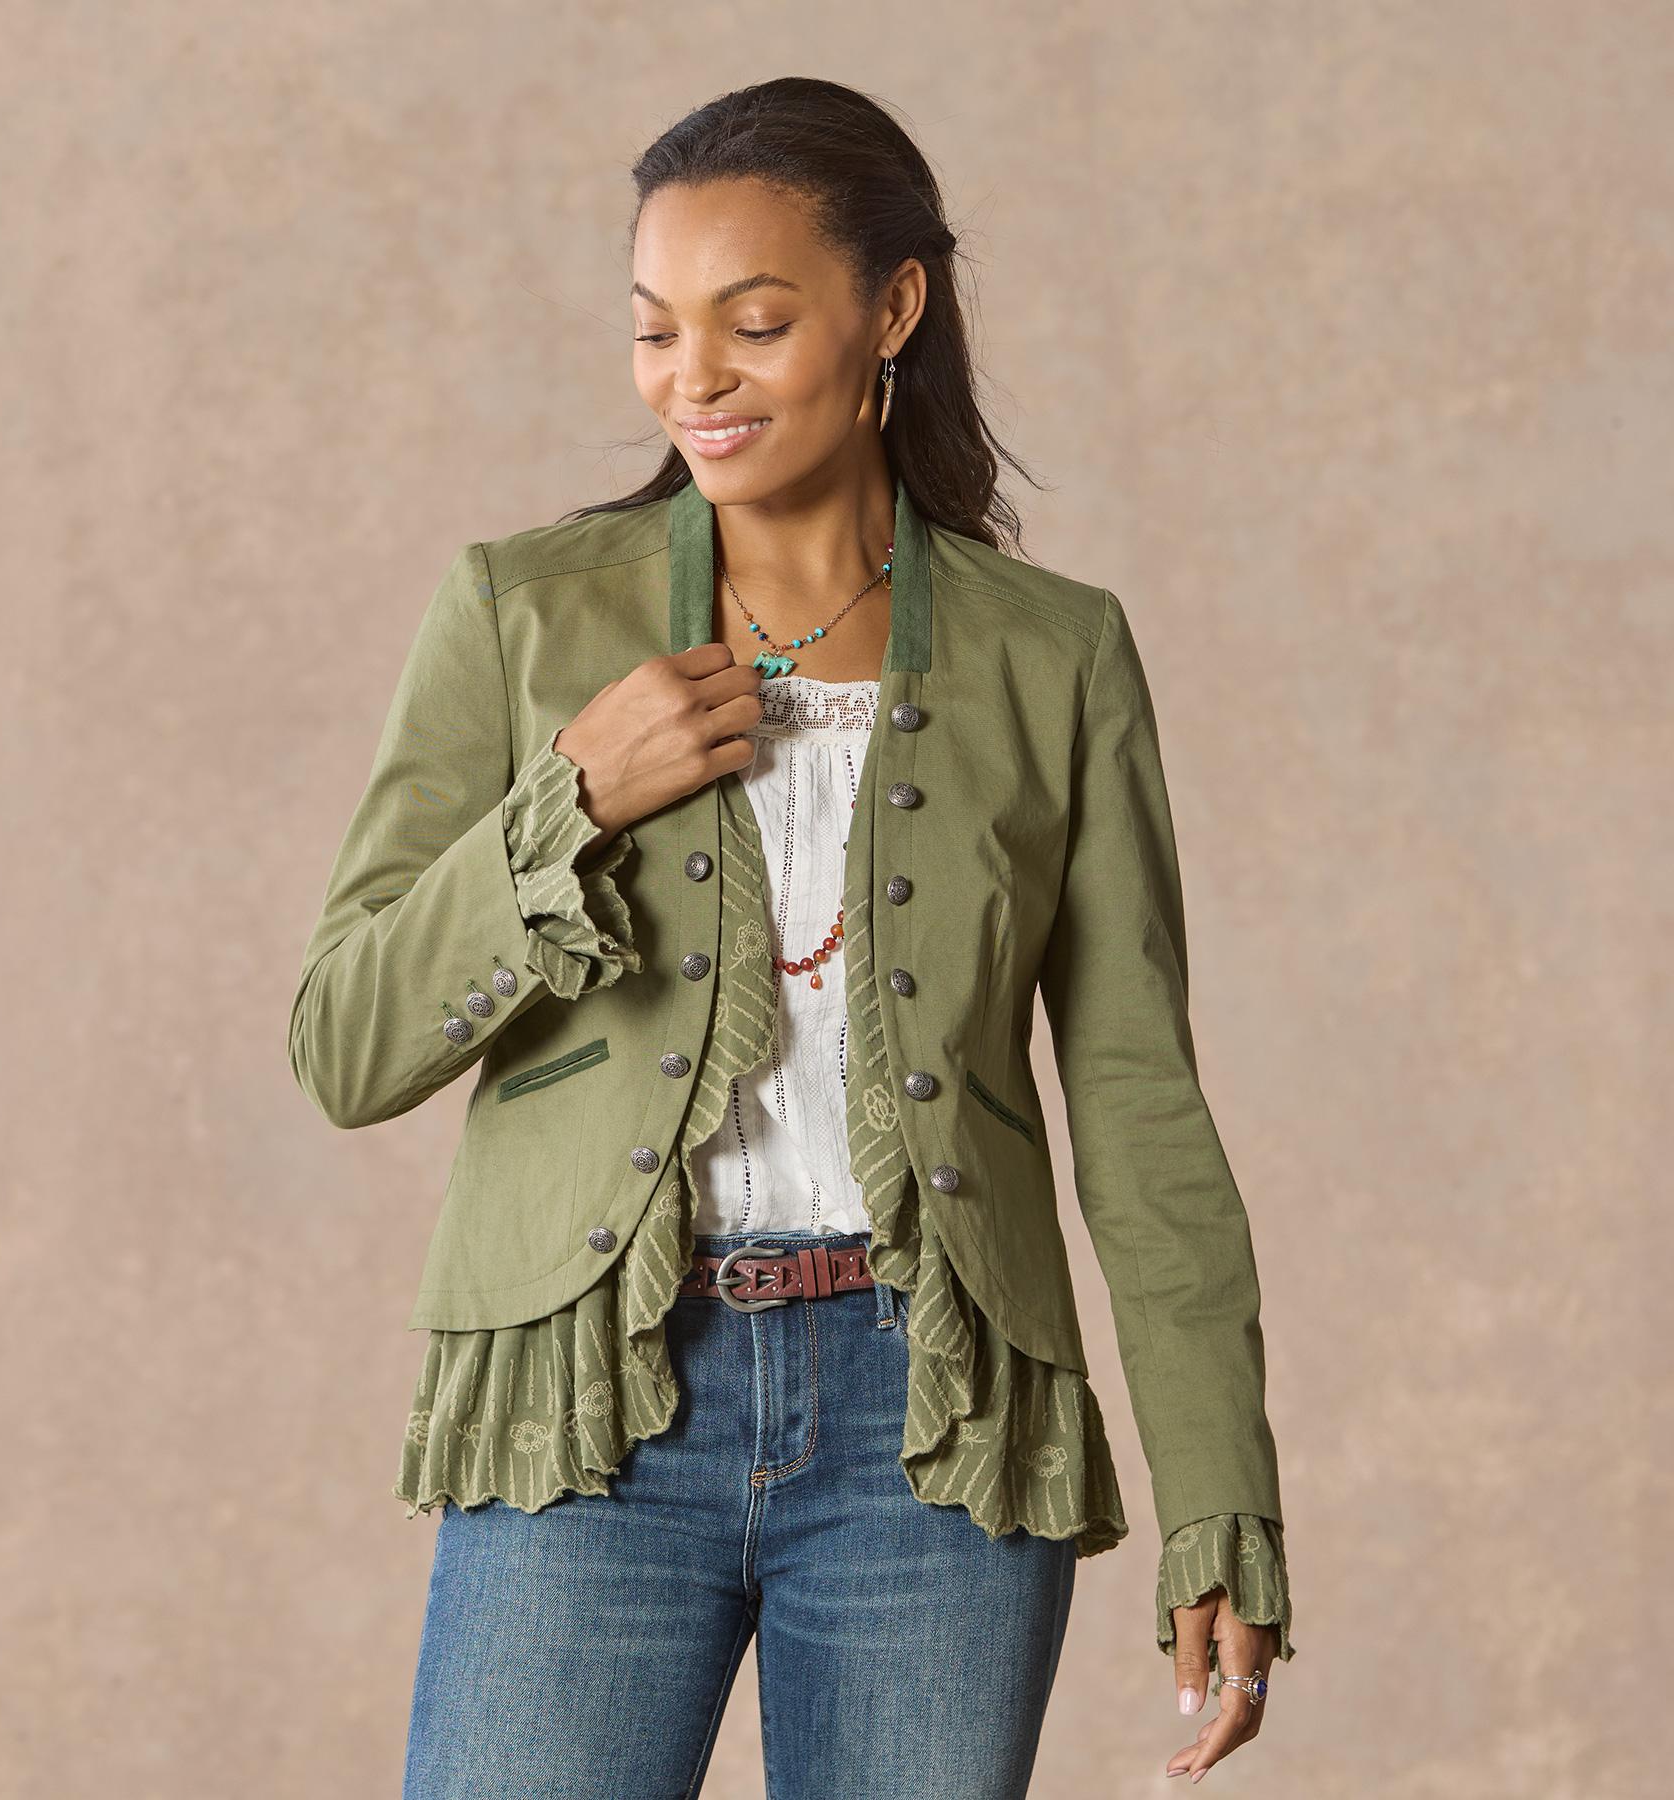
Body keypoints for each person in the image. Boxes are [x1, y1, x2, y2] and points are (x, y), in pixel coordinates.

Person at [289, 75, 1293, 1800]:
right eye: (655, 329)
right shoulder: (520, 616)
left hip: (936, 1420)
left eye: (753, 324)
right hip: (596, 1402)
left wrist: (1220, 1495)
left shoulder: (1054, 655)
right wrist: (564, 805)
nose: (694, 377)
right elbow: (347, 1042)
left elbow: (1139, 1104)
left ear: (893, 309)